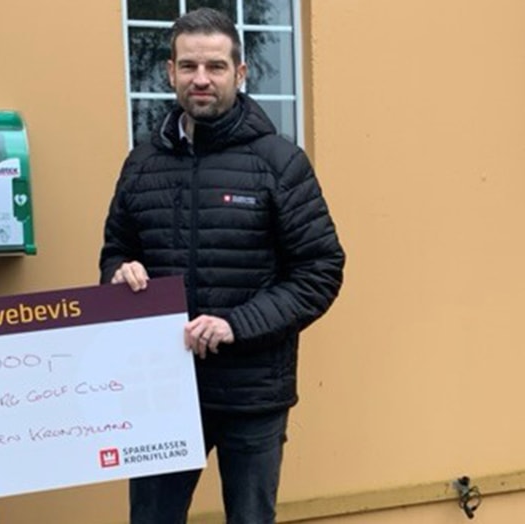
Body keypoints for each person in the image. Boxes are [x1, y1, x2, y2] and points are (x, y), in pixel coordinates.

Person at [100, 8, 345, 524]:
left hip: (251, 393)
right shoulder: (141, 164)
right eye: (189, 66)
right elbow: (115, 252)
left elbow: (319, 270)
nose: (201, 79)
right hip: (161, 390)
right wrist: (121, 273)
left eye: (215, 66)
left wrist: (237, 325)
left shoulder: (280, 162)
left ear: (241, 72)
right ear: (170, 72)